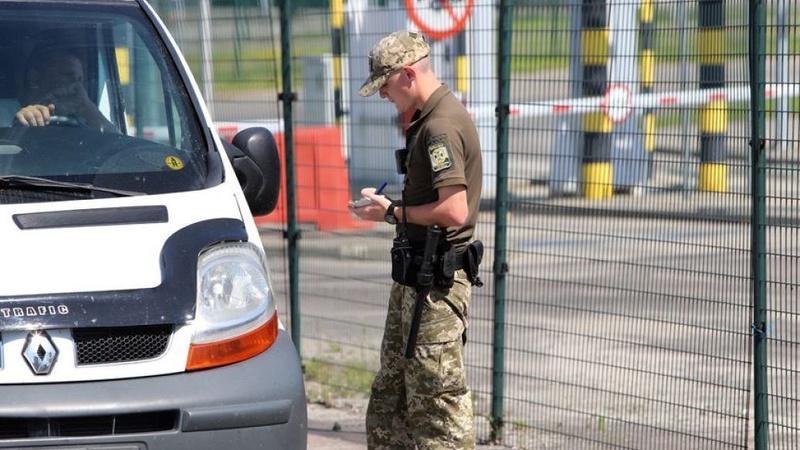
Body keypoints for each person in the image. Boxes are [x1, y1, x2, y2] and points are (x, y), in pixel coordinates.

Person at [349, 30, 483, 449]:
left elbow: (454, 210)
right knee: (393, 397)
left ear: (407, 74)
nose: (383, 95)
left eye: (385, 86)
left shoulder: (440, 126)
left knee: (437, 407)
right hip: (416, 278)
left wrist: (391, 212)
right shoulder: (428, 119)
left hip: (436, 286)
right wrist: (391, 209)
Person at [14, 46, 117, 133]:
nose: (77, 88)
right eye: (68, 76)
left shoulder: (82, 125)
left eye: (79, 80)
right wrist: (18, 127)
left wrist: (88, 109)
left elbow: (118, 148)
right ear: (34, 78)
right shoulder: (4, 115)